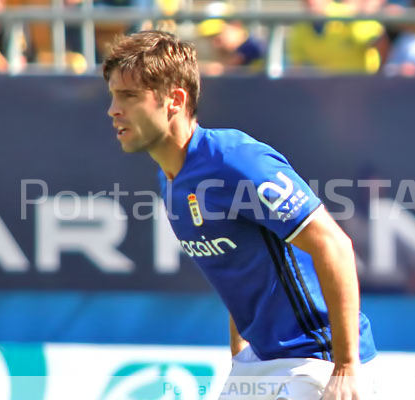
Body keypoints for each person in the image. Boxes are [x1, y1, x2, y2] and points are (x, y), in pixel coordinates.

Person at [103, 30, 377, 399]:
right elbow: (240, 262)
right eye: (113, 96)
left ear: (175, 100)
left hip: (317, 360)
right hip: (262, 362)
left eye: (129, 96)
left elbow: (335, 246)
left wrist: (346, 367)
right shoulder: (169, 177)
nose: (113, 109)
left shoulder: (234, 159)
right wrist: (241, 351)